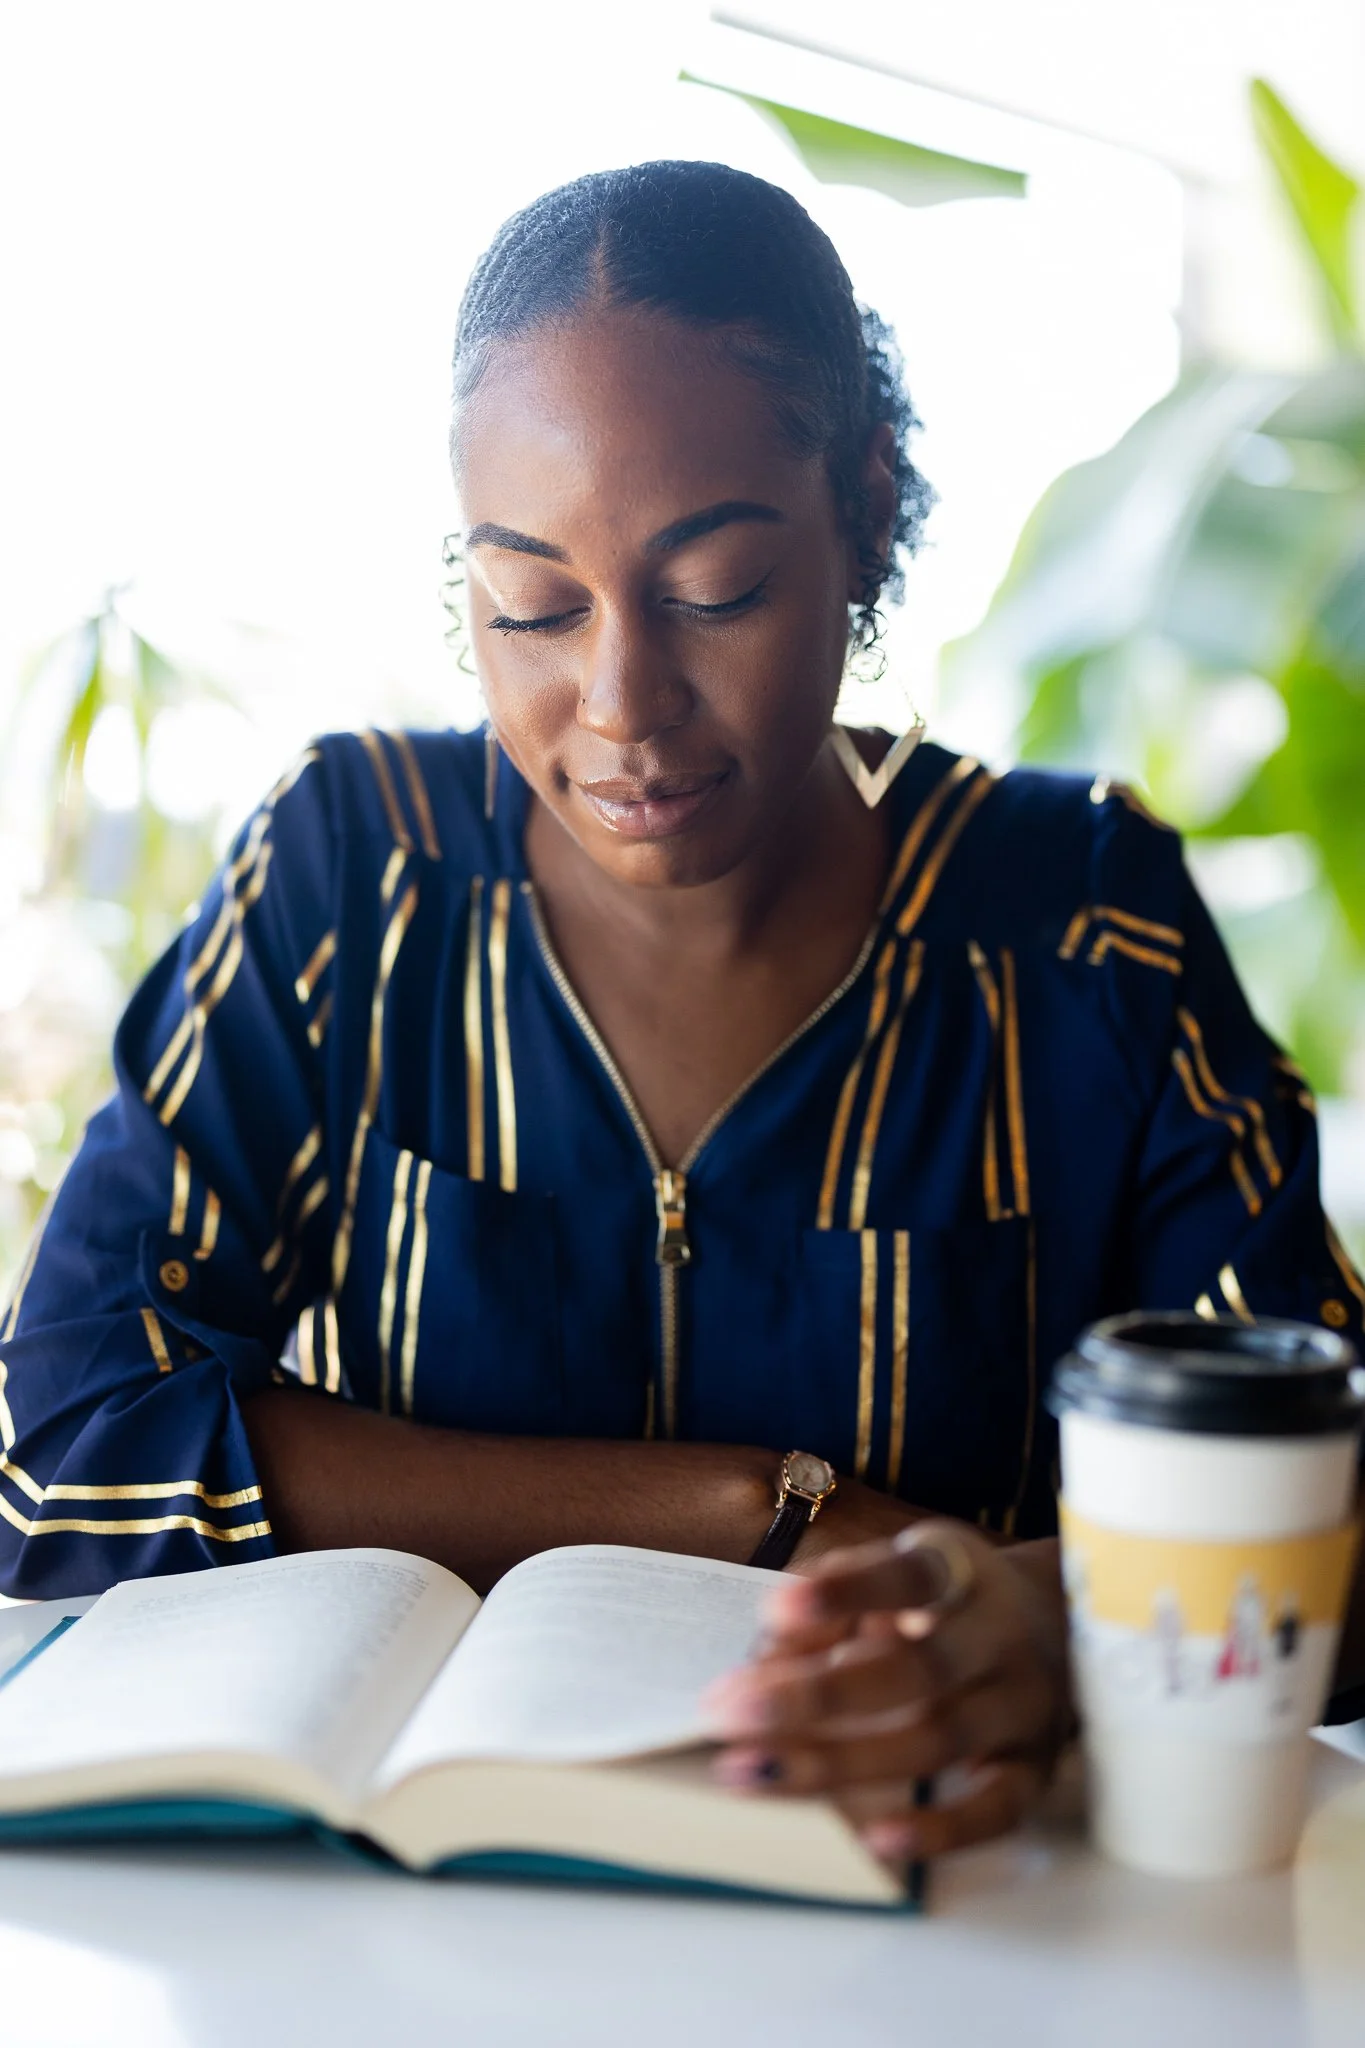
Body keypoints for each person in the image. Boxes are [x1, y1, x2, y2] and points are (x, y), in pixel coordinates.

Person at [2, 161, 1361, 1865]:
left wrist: (1043, 1628)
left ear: (863, 506)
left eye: (713, 589)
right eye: (533, 606)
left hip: (953, 1920)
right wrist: (753, 1512)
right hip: (394, 1940)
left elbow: (1332, 1499)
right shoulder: (353, 881)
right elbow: (67, 1444)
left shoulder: (1081, 935)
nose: (623, 704)